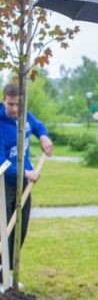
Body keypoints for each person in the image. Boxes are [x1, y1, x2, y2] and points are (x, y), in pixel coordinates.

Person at [0, 82, 53, 274]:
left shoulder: (26, 116)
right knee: (3, 230)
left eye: (18, 105)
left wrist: (43, 136)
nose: (15, 109)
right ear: (4, 101)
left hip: (24, 184)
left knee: (19, 230)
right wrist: (24, 173)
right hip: (4, 185)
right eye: (10, 104)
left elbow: (38, 126)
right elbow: (1, 162)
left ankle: (8, 275)